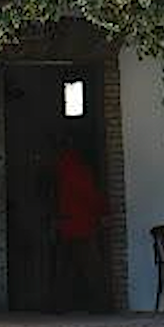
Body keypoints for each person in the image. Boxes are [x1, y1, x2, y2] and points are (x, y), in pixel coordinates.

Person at [52, 134, 108, 313]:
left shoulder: (58, 171)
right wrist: (104, 212)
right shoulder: (81, 170)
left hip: (66, 224)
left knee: (65, 268)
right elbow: (91, 196)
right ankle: (100, 305)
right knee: (91, 267)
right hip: (83, 225)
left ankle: (60, 305)